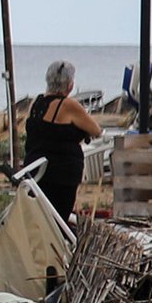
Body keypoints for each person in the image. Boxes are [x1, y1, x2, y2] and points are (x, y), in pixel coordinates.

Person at [18, 60, 100, 219]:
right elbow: (95, 129)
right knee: (57, 218)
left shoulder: (36, 103)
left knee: (38, 217)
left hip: (35, 170)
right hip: (60, 175)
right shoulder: (68, 105)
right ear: (69, 85)